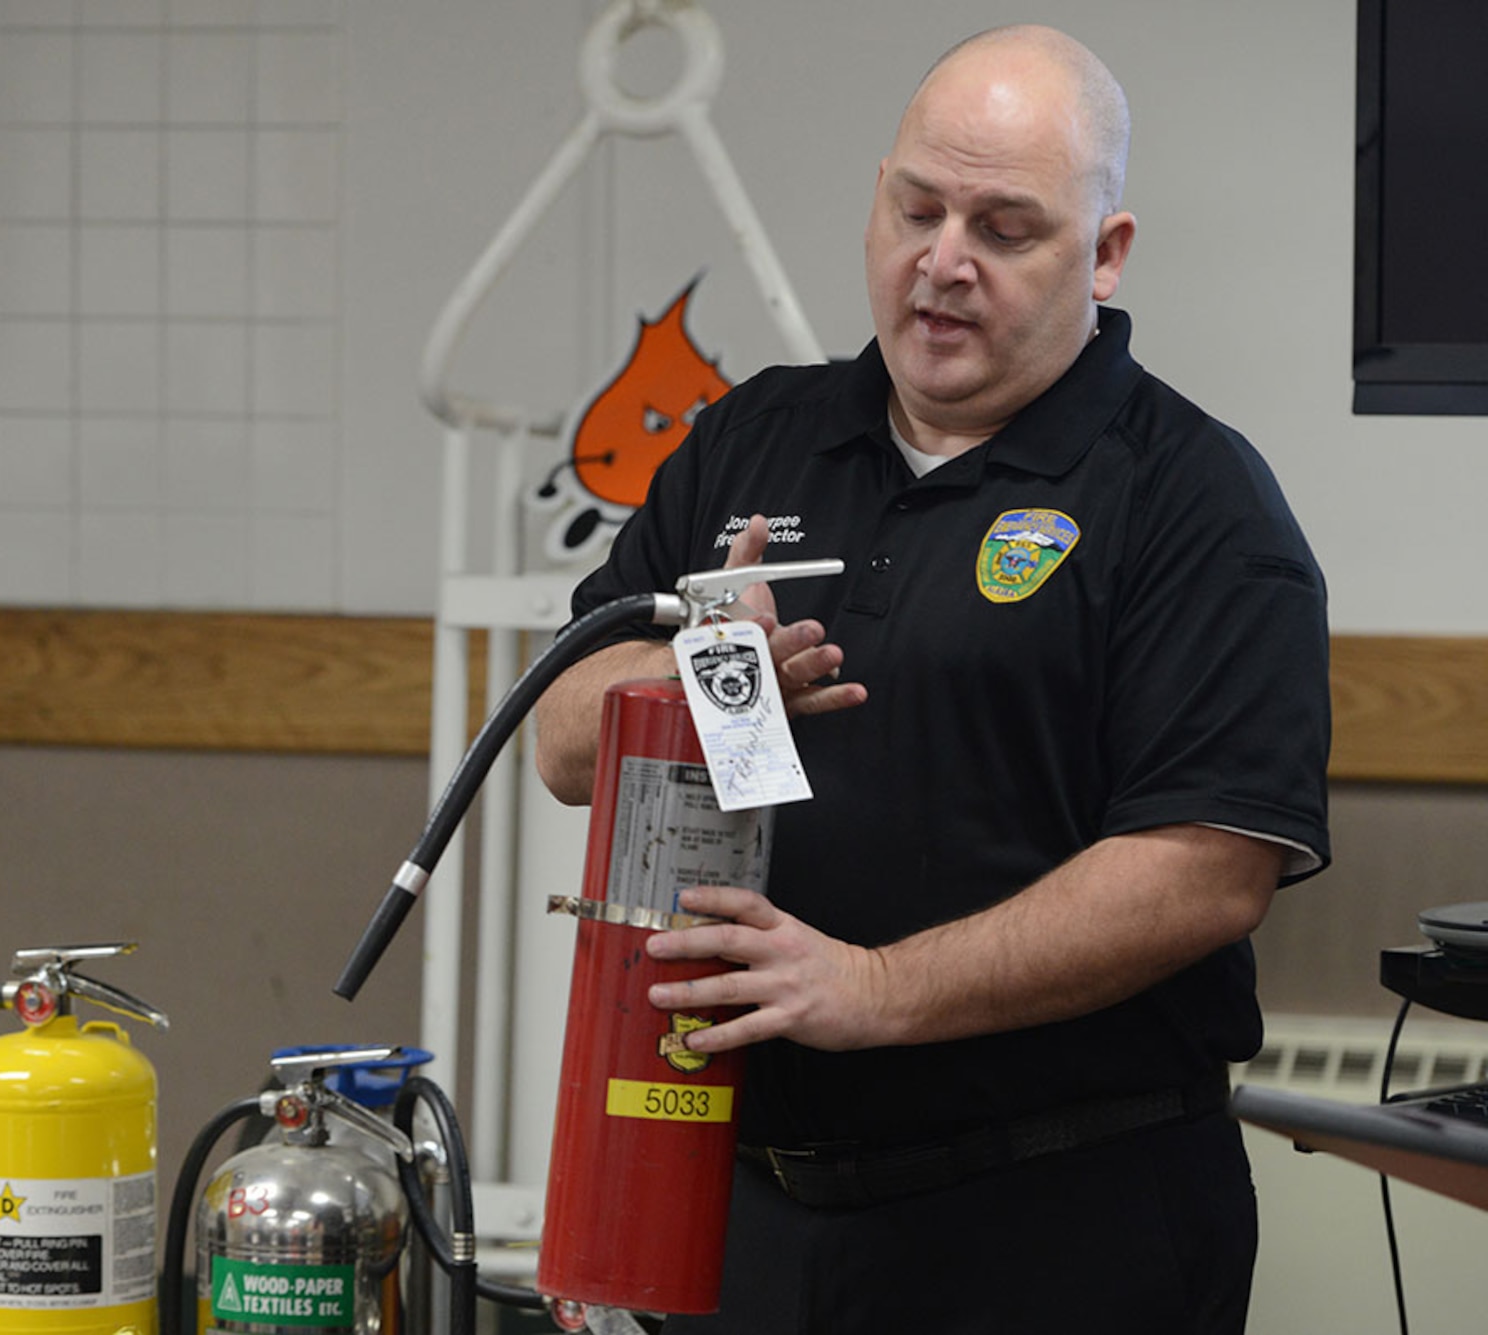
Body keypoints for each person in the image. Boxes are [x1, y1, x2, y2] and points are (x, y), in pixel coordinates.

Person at [532, 24, 1330, 1335]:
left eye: (1005, 229)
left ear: (1107, 255)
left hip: (1054, 1223)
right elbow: (567, 743)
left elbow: (1207, 868)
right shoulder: (752, 440)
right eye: (918, 208)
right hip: (741, 1214)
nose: (943, 260)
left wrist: (879, 988)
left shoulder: (1192, 496)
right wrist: (716, 675)